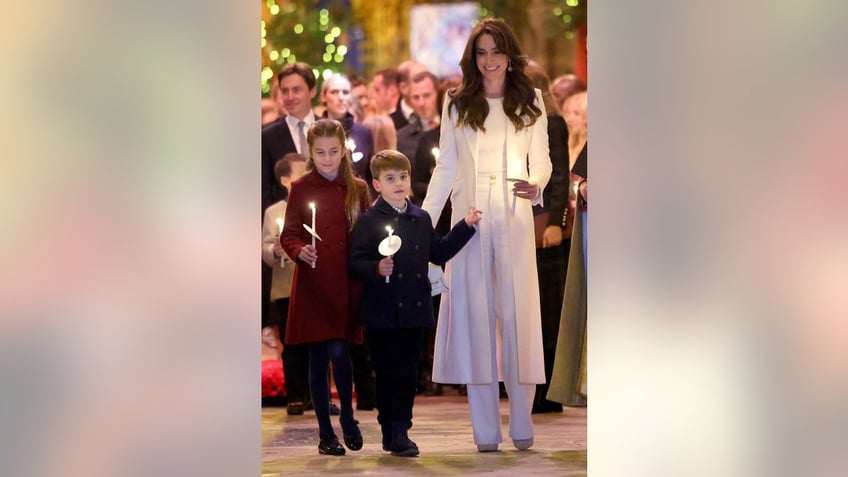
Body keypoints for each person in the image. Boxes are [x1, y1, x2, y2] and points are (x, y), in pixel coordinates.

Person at [421, 18, 551, 452]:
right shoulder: (457, 103)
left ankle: (522, 422)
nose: (490, 60)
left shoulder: (530, 100)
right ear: (472, 58)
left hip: (513, 214)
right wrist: (421, 222)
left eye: (496, 51)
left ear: (509, 55)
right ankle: (485, 431)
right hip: (470, 220)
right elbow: (446, 168)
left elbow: (543, 159)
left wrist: (537, 186)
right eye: (482, 52)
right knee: (475, 319)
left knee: (517, 320)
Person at [349, 150, 481, 457]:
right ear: (377, 184)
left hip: (415, 309)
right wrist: (375, 268)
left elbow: (439, 252)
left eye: (403, 177)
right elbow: (354, 262)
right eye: (390, 178)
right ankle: (389, 428)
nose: (398, 183)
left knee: (408, 373)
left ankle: (401, 430)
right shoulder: (369, 221)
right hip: (381, 311)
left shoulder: (420, 219)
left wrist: (465, 225)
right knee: (386, 371)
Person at [280, 118, 371, 456]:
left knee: (340, 352)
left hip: (345, 284)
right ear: (311, 153)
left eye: (334, 151)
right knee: (318, 359)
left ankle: (347, 417)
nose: (328, 158)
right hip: (314, 283)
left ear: (344, 149)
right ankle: (324, 432)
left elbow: (369, 233)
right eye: (321, 153)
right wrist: (299, 249)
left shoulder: (358, 188)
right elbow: (290, 233)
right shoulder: (301, 187)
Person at [524, 61, 571, 414]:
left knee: (549, 313)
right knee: (531, 311)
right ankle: (532, 386)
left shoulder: (552, 122)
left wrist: (556, 221)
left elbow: (558, 177)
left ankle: (549, 391)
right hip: (524, 225)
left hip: (546, 229)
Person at [261, 153, 310, 413]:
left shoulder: (315, 205)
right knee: (291, 344)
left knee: (317, 341)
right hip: (285, 284)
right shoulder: (274, 212)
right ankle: (295, 396)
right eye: (301, 172)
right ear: (285, 180)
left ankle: (318, 396)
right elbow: (265, 247)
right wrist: (275, 251)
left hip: (314, 284)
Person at [396, 71, 441, 163]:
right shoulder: (401, 139)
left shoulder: (453, 129)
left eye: (427, 95)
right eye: (416, 97)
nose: (421, 103)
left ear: (439, 94)